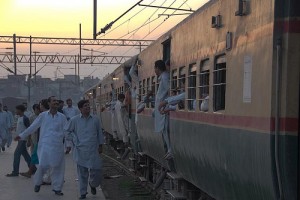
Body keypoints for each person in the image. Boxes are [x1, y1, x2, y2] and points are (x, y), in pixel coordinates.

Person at [15, 96, 67, 196]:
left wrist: (69, 144)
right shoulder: (43, 115)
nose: (56, 102)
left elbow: (66, 131)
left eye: (56, 101)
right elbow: (33, 127)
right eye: (53, 101)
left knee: (58, 167)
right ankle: (38, 183)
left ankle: (57, 188)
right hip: (45, 146)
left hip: (58, 146)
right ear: (49, 103)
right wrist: (22, 136)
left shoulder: (62, 117)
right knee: (43, 165)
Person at [65, 100, 104, 199]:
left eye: (88, 106)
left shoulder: (95, 120)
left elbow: (99, 133)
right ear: (80, 109)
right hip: (80, 150)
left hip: (93, 149)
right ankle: (83, 193)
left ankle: (93, 184)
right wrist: (73, 139)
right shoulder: (74, 120)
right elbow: (67, 132)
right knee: (82, 173)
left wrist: (100, 145)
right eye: (85, 106)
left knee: (97, 171)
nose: (88, 107)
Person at [153, 60, 172, 160]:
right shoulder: (163, 77)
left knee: (165, 129)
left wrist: (166, 104)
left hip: (163, 107)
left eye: (155, 68)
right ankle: (169, 149)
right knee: (163, 129)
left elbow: (169, 90)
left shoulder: (164, 78)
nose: (154, 71)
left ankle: (170, 150)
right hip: (162, 107)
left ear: (157, 68)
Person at [6, 104, 31, 177]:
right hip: (20, 140)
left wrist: (29, 140)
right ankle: (33, 169)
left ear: (20, 110)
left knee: (16, 154)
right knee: (26, 155)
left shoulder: (25, 118)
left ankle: (15, 172)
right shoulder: (19, 118)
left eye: (17, 109)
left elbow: (29, 130)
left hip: (23, 140)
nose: (16, 111)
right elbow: (20, 128)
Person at [20, 104, 41, 178]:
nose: (38, 110)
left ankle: (32, 171)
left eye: (39, 109)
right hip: (34, 138)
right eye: (37, 109)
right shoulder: (31, 117)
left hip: (41, 139)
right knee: (34, 154)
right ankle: (32, 170)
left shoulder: (42, 116)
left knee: (37, 155)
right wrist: (28, 140)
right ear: (34, 109)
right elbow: (29, 129)